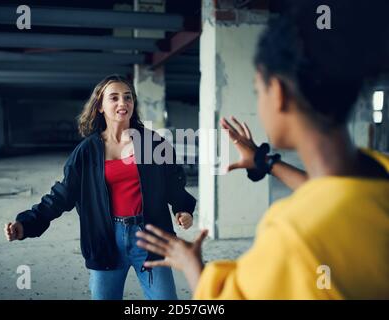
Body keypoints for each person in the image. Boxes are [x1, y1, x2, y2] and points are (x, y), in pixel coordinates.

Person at [136, 1, 389, 299]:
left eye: (258, 90)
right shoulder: (378, 172)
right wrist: (263, 161)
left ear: (278, 93)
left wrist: (191, 265)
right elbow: (334, 194)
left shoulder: (292, 232)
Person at [4, 74, 196, 300]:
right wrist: (26, 223)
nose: (122, 103)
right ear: (100, 107)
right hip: (105, 238)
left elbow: (173, 182)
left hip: (151, 237)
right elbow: (62, 195)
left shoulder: (152, 144)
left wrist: (183, 209)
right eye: (114, 98)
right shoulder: (87, 151)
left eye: (127, 97)